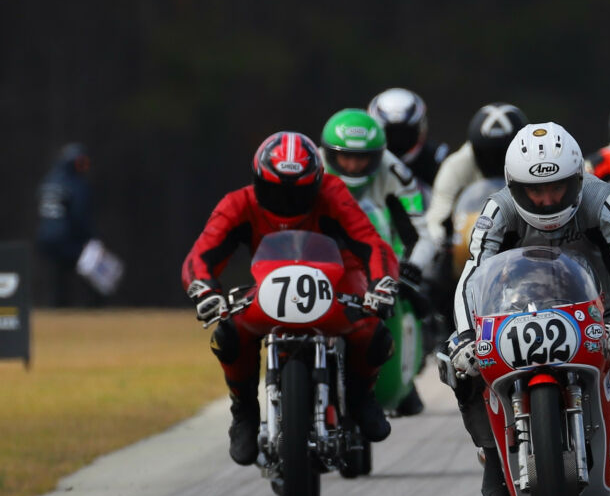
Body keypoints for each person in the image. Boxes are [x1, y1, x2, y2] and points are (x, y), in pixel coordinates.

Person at [445, 122, 610, 496]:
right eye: (535, 191)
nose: (548, 200)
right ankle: (492, 454)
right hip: (513, 311)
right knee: (455, 365)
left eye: (557, 188)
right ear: (514, 186)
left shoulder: (604, 201)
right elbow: (471, 276)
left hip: (600, 311)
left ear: (578, 179)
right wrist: (467, 336)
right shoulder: (496, 210)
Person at [182, 131, 401, 466]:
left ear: (316, 182)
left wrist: (381, 284)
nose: (286, 202)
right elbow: (202, 255)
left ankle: (361, 398)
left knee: (375, 334)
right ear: (257, 182)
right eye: (275, 190)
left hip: (337, 280)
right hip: (268, 289)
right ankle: (244, 412)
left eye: (298, 193)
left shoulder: (334, 193)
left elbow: (370, 243)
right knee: (227, 335)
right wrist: (206, 291)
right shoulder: (237, 204)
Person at [321, 108, 440, 414]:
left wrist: (412, 268)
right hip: (320, 252)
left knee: (417, 298)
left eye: (362, 158)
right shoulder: (314, 166)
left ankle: (400, 376)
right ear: (327, 152)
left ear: (378, 155)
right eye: (345, 157)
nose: (353, 165)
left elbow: (424, 230)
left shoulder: (395, 171)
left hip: (376, 256)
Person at [420, 103, 527, 269]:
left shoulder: (532, 164)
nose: (495, 161)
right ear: (474, 149)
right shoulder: (455, 165)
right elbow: (437, 216)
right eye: (488, 154)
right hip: (468, 247)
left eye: (503, 153)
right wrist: (442, 242)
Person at [35, 143, 95, 307]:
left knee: (57, 279)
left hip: (45, 239)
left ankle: (57, 307)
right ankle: (93, 308)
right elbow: (79, 216)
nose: (84, 168)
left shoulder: (48, 180)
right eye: (80, 163)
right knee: (92, 272)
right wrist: (90, 238)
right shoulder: (76, 184)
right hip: (66, 239)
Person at [367, 87, 449, 189]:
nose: (397, 140)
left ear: (421, 129)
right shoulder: (364, 160)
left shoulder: (438, 159)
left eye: (404, 134)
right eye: (390, 134)